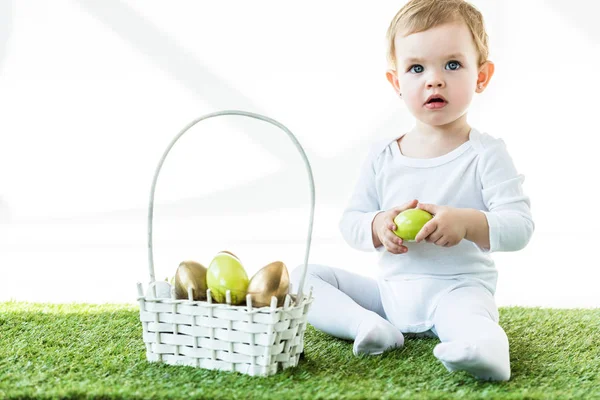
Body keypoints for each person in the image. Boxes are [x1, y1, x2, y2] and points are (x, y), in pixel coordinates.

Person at [291, 0, 534, 382]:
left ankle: (484, 351)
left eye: (452, 65)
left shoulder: (485, 153)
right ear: (397, 82)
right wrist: (378, 225)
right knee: (302, 277)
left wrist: (466, 223)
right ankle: (365, 326)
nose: (433, 80)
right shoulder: (383, 155)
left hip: (458, 291)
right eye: (416, 68)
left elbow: (520, 227)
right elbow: (351, 221)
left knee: (470, 318)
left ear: (481, 76)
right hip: (389, 296)